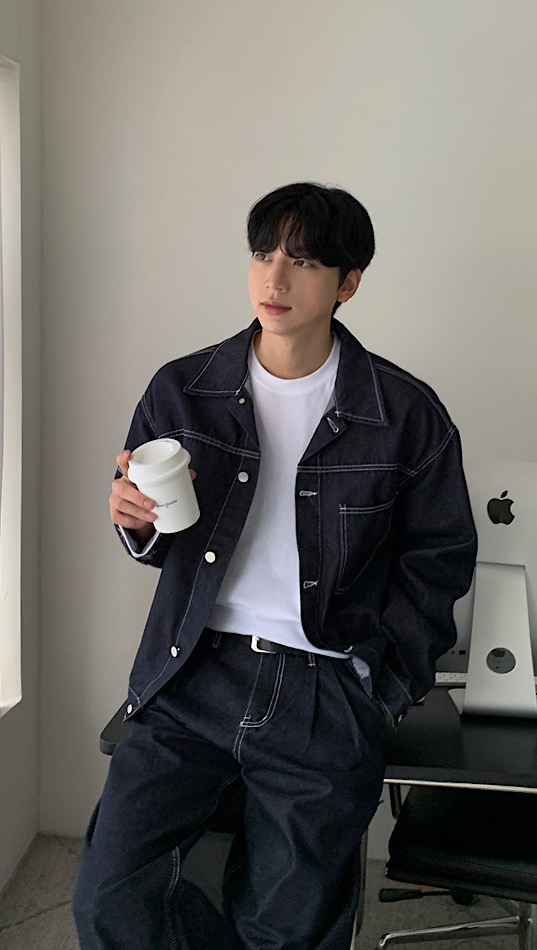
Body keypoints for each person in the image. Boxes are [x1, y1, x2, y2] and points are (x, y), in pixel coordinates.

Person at [73, 182, 477, 950]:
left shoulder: (404, 414)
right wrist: (136, 522)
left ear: (348, 283)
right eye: (263, 255)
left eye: (304, 261)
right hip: (193, 671)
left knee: (286, 929)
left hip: (325, 686)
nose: (275, 278)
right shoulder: (184, 390)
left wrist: (379, 687)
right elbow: (160, 539)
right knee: (109, 900)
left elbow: (440, 560)